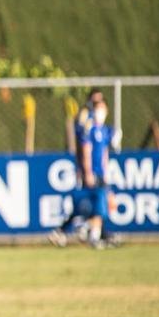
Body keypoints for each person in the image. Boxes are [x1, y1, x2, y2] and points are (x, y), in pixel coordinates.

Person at [49, 89, 118, 249]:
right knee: (93, 205)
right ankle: (89, 233)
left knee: (99, 205)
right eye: (96, 105)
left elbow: (105, 153)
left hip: (100, 173)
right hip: (91, 173)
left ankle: (91, 232)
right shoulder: (87, 127)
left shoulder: (104, 130)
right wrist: (87, 172)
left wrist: (106, 172)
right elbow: (85, 149)